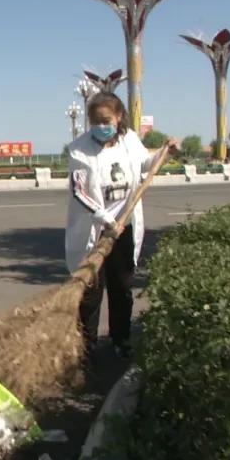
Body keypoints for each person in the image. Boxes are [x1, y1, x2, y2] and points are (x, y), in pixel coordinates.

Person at [66, 92, 178, 359]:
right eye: (94, 120)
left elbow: (146, 165)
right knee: (90, 292)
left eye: (106, 120)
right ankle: (87, 347)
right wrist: (106, 220)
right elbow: (79, 192)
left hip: (125, 227)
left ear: (119, 117)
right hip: (96, 231)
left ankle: (121, 338)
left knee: (122, 287)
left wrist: (165, 152)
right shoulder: (79, 149)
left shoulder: (129, 140)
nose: (100, 125)